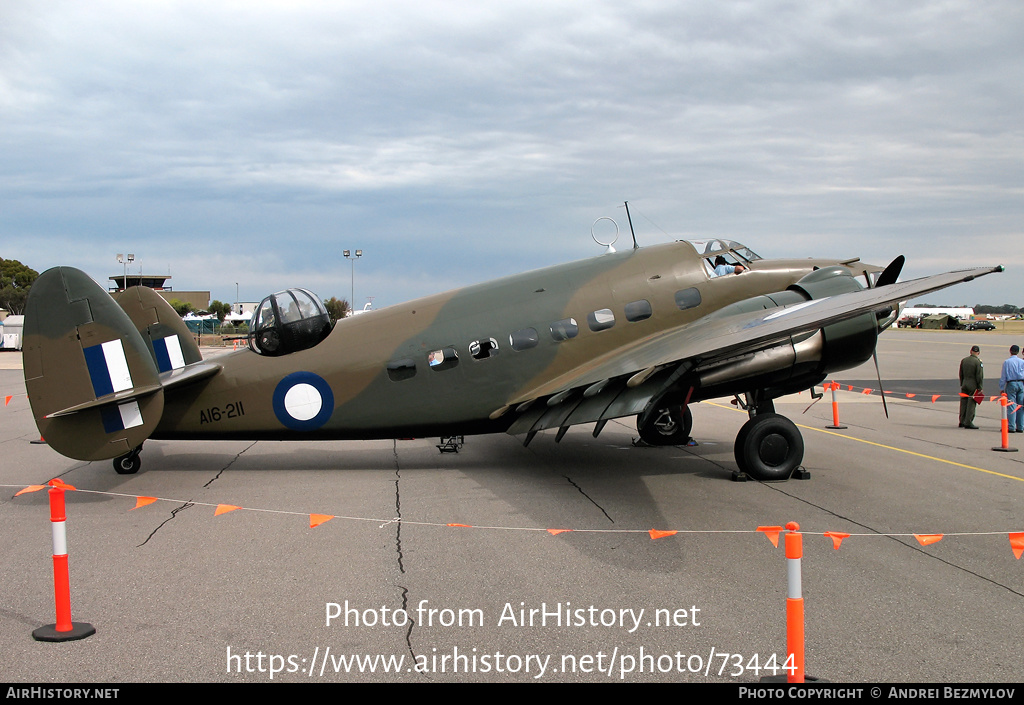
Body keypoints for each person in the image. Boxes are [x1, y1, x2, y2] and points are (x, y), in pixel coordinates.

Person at [999, 345, 1024, 433]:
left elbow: (1004, 376)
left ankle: (1011, 426)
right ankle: (1020, 426)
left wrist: (1002, 387)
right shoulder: (1022, 361)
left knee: (1011, 405)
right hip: (1021, 383)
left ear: (1010, 351)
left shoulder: (1007, 362)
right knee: (1020, 405)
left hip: (1011, 383)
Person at [958, 345, 983, 429]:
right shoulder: (978, 362)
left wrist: (962, 383)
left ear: (970, 351)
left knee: (963, 402)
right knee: (971, 404)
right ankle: (968, 422)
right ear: (978, 353)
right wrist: (980, 387)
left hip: (965, 383)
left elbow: (961, 373)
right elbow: (979, 376)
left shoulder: (964, 360)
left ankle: (962, 420)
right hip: (973, 384)